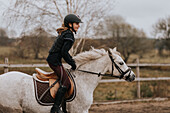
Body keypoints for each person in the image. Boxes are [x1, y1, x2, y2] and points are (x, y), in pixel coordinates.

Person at [46, 14, 82, 113]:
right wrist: (73, 64)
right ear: (70, 24)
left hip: (54, 60)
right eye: (77, 23)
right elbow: (64, 52)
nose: (78, 26)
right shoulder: (69, 35)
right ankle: (55, 108)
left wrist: (71, 60)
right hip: (54, 61)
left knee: (64, 79)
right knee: (66, 82)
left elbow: (63, 52)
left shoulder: (66, 33)